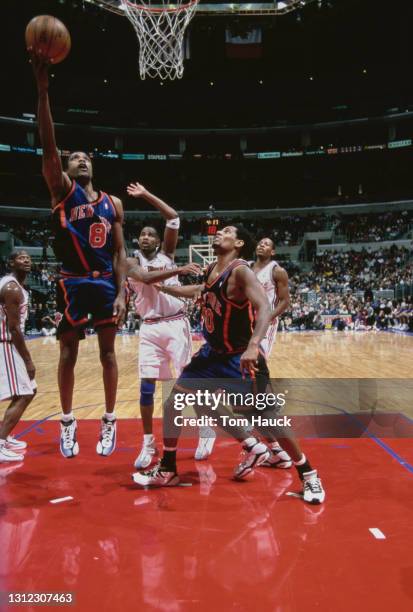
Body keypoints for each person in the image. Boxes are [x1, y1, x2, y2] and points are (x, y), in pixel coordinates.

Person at [133, 225, 325, 504]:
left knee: (265, 417)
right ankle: (168, 468)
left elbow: (264, 307)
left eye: (225, 231)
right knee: (174, 402)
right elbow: (198, 289)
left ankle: (309, 474)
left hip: (239, 357)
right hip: (212, 355)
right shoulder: (211, 268)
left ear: (238, 243)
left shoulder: (241, 271)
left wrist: (253, 345)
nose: (219, 233)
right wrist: (164, 287)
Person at [32, 55, 126, 458]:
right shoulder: (61, 192)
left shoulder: (113, 202)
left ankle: (109, 421)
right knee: (68, 353)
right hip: (71, 281)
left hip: (105, 280)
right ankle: (67, 423)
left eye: (87, 156)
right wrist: (42, 90)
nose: (82, 159)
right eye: (75, 158)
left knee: (108, 353)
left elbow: (121, 250)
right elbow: (49, 141)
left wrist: (122, 292)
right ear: (66, 168)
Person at [126, 181, 216, 468]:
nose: (146, 237)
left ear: (158, 241)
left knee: (190, 381)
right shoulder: (129, 262)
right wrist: (178, 270)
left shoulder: (167, 253)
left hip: (176, 324)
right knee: (146, 388)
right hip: (149, 327)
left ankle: (205, 429)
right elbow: (147, 278)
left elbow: (173, 217)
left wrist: (146, 195)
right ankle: (147, 443)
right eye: (142, 234)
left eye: (151, 235)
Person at [250, 237, 293, 469]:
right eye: (259, 243)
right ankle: (265, 403)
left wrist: (267, 318)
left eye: (267, 244)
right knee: (250, 368)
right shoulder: (246, 267)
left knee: (258, 362)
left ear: (273, 251)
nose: (261, 245)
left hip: (266, 323)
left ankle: (266, 404)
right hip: (246, 321)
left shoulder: (277, 271)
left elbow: (285, 301)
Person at [0, 251, 36, 462]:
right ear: (10, 262)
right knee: (24, 393)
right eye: (21, 258)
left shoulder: (13, 284)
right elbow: (14, 329)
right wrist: (29, 360)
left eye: (28, 258)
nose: (26, 260)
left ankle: (5, 436)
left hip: (9, 344)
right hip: (7, 344)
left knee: (30, 389)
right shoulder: (12, 288)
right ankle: (1, 441)